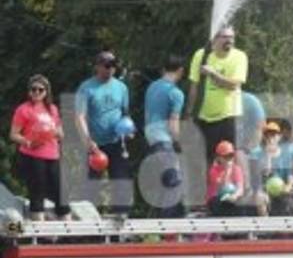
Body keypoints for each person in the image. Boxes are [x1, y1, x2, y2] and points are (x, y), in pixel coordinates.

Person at [75, 51, 132, 215]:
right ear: (98, 66)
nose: (111, 69)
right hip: (95, 145)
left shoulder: (122, 87)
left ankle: (121, 223)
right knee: (91, 186)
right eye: (107, 66)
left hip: (116, 141)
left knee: (121, 181)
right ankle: (89, 226)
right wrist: (87, 140)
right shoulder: (86, 88)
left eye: (113, 66)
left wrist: (129, 129)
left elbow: (125, 113)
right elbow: (79, 116)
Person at [10, 74, 69, 221]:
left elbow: (61, 134)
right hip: (32, 156)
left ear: (46, 91)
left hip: (53, 155)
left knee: (60, 192)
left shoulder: (52, 109)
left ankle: (68, 232)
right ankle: (38, 232)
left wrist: (55, 133)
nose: (36, 92)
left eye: (40, 89)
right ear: (29, 91)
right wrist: (29, 142)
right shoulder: (23, 109)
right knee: (37, 192)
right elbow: (13, 134)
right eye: (33, 89)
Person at [187, 26, 248, 164]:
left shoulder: (239, 56)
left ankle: (242, 185)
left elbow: (234, 85)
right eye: (225, 37)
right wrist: (190, 113)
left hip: (230, 115)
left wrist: (213, 73)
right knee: (206, 157)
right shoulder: (201, 55)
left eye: (232, 37)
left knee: (235, 153)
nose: (230, 41)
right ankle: (210, 185)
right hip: (205, 117)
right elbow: (194, 86)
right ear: (214, 39)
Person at [144, 54, 186, 218]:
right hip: (164, 140)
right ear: (181, 71)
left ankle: (158, 226)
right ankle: (170, 229)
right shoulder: (176, 93)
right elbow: (173, 122)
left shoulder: (152, 87)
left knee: (162, 184)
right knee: (173, 183)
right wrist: (179, 142)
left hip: (151, 139)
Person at [250, 122, 293, 217]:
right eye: (268, 134)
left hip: (281, 187)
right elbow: (265, 173)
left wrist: (288, 187)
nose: (271, 137)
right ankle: (267, 228)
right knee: (260, 198)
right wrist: (268, 155)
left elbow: (290, 175)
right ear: (264, 137)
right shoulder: (258, 153)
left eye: (274, 134)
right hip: (265, 188)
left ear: (279, 136)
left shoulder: (285, 153)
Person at [206, 140, 257, 217]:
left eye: (231, 156)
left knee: (241, 205)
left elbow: (240, 188)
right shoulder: (214, 170)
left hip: (232, 198)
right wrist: (227, 170)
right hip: (217, 199)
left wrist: (234, 196)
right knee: (218, 203)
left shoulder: (237, 169)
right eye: (225, 156)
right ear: (219, 158)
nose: (229, 159)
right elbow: (221, 187)